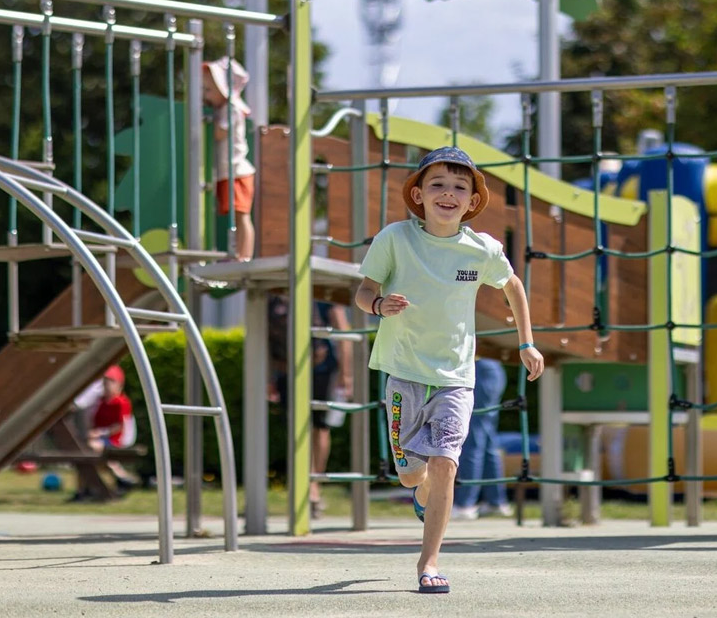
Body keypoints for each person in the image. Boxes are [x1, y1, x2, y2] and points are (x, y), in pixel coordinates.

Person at [355, 146, 544, 595]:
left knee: (444, 463)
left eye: (460, 187)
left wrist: (527, 342)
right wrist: (380, 305)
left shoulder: (482, 249)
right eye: (437, 184)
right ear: (418, 194)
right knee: (409, 475)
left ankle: (429, 562)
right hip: (403, 371)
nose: (449, 193)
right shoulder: (396, 238)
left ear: (472, 202)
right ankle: (419, 497)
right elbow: (364, 291)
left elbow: (513, 285)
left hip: (456, 377)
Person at [269, 297, 353, 518]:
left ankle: (313, 482)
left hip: (316, 370)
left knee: (318, 427)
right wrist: (346, 374)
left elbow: (343, 334)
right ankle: (306, 484)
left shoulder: (325, 294)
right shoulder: (276, 295)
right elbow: (345, 335)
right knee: (306, 429)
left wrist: (345, 374)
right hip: (296, 369)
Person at [202, 56, 255, 261]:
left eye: (208, 90)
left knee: (241, 215)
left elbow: (219, 133)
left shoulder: (230, 109)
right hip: (229, 169)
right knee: (236, 215)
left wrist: (210, 121)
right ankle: (239, 253)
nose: (206, 95)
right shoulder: (225, 108)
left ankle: (244, 254)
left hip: (237, 170)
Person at [451, 356, 514, 520]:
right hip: (488, 369)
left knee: (474, 439)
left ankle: (466, 504)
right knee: (486, 441)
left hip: (479, 368)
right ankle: (496, 501)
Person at [85, 364, 138, 492]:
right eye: (105, 382)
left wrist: (100, 433)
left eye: (110, 382)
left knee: (92, 448)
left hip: (116, 439)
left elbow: (120, 426)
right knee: (87, 451)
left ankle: (117, 478)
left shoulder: (121, 402)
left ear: (119, 384)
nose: (106, 385)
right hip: (102, 440)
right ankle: (120, 478)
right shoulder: (100, 401)